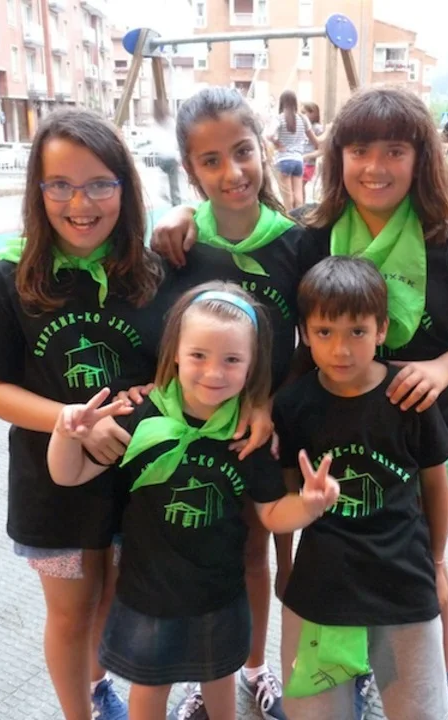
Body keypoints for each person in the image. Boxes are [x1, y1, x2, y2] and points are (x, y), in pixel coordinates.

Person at [150, 86, 448, 720]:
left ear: (420, 157)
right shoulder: (315, 234)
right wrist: (182, 209)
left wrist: (442, 367)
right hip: (334, 426)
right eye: (359, 150)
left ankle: (441, 677)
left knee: (427, 562)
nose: (375, 167)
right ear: (337, 154)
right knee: (336, 554)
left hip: (424, 422)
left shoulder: (447, 232)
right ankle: (340, 669)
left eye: (395, 151)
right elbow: (295, 330)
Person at [0, 108, 175, 720]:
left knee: (113, 599)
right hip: (51, 485)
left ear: (124, 187)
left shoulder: (150, 269)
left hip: (135, 479)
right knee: (71, 612)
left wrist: (152, 393)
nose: (81, 203)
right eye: (61, 185)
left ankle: (97, 686)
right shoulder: (13, 276)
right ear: (38, 189)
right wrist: (72, 420)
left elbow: (174, 364)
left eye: (100, 183)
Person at [47, 283, 340, 720]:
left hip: (220, 594)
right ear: (176, 355)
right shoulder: (142, 418)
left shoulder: (247, 435)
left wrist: (310, 504)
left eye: (232, 360)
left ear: (252, 365)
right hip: (148, 594)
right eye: (198, 355)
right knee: (150, 688)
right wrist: (64, 432)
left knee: (220, 680)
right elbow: (68, 474)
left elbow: (273, 514)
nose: (213, 372)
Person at [165, 85, 311, 720]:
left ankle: (255, 667)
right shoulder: (179, 245)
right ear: (190, 169)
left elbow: (309, 345)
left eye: (243, 151)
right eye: (211, 160)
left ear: (263, 149)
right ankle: (209, 672)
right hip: (197, 435)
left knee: (259, 553)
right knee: (203, 554)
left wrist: (267, 403)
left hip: (263, 431)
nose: (232, 172)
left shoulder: (296, 244)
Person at [272, 256, 448, 719]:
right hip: (321, 581)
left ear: (381, 330)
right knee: (311, 712)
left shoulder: (408, 395)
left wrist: (437, 562)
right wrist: (284, 564)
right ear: (304, 333)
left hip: (404, 579)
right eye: (324, 332)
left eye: (357, 331)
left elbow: (435, 481)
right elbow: (288, 495)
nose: (341, 349)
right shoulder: (293, 405)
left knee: (423, 711)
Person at [270, 90, 321, 210]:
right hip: (298, 161)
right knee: (299, 197)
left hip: (283, 160)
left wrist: (278, 144)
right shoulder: (303, 119)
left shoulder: (279, 118)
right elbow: (316, 141)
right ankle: (300, 218)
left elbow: (269, 135)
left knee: (288, 198)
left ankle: (290, 218)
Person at [153, 99, 182, 205]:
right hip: (171, 156)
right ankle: (176, 202)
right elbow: (176, 139)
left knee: (163, 176)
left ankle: (163, 190)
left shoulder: (155, 123)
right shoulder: (170, 122)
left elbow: (154, 141)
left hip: (162, 157)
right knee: (174, 184)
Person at [301, 101, 325, 201]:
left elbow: (322, 149)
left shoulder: (317, 128)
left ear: (313, 113)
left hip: (308, 163)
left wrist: (307, 156)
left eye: (304, 112)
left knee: (300, 186)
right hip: (300, 161)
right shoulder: (302, 127)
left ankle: (300, 205)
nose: (302, 116)